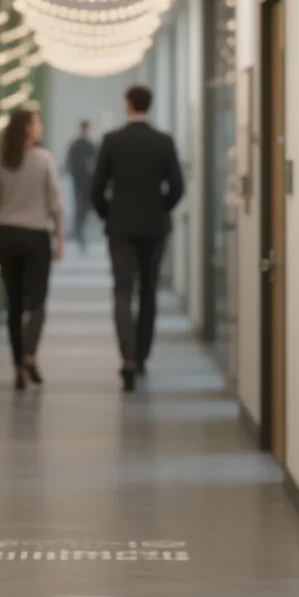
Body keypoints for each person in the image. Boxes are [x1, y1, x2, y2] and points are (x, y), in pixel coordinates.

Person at [89, 85, 184, 392]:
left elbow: (96, 188)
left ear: (127, 104)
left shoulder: (112, 141)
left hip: (121, 229)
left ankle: (127, 356)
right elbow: (177, 187)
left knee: (122, 290)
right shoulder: (163, 142)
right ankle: (142, 356)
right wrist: (160, 209)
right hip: (154, 230)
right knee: (148, 292)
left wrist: (110, 214)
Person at [0, 107, 63, 391]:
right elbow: (54, 203)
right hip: (37, 237)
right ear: (27, 128)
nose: (40, 126)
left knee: (14, 304)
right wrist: (61, 239)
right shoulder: (44, 159)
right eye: (36, 122)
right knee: (37, 302)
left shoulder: (0, 158)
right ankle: (30, 354)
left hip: (7, 236)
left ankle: (18, 365)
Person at [65, 120, 98, 251]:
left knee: (83, 205)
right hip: (81, 180)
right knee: (81, 204)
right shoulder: (81, 145)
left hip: (84, 180)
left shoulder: (85, 145)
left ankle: (78, 227)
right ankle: (78, 228)